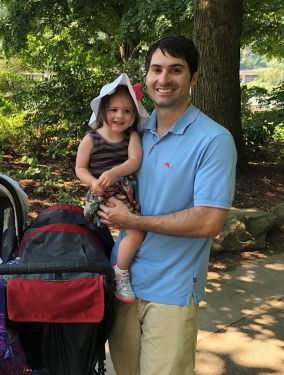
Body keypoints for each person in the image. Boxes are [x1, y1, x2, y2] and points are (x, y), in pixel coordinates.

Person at [98, 36, 237, 374]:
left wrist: (132, 220)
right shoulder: (136, 134)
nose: (164, 79)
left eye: (176, 70)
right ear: (145, 78)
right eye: (156, 69)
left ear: (194, 78)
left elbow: (209, 222)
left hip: (171, 290)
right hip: (123, 279)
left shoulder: (213, 140)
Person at [75, 73, 149, 303]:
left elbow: (134, 161)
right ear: (103, 111)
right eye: (114, 109)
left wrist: (115, 172)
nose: (120, 116)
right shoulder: (92, 139)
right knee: (106, 232)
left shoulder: (131, 136)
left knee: (136, 230)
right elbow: (80, 168)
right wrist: (93, 182)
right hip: (100, 193)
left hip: (123, 189)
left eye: (127, 111)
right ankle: (112, 273)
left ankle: (120, 270)